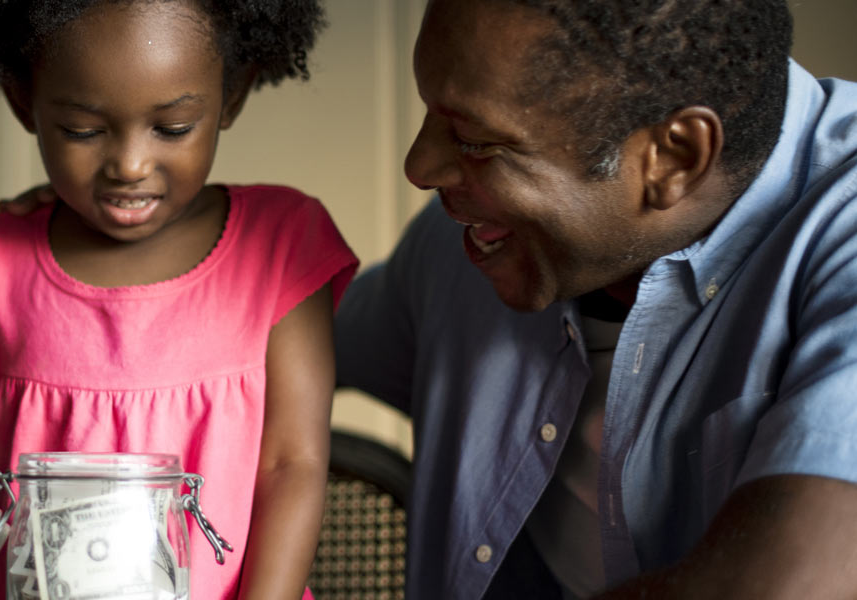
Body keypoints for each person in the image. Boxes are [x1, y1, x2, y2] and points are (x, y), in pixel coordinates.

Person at [335, 0, 857, 598]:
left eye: (474, 140)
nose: (420, 166)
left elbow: (789, 585)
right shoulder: (464, 245)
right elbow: (269, 346)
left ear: (673, 157)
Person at [0, 1, 355, 598]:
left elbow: (293, 467)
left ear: (232, 94)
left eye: (173, 128)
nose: (129, 166)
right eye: (83, 130)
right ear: (23, 101)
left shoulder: (282, 245)